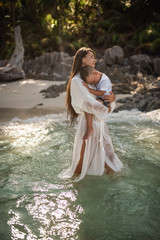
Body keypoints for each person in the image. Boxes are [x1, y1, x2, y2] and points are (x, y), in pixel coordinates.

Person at [58, 47, 123, 182]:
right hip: (90, 124)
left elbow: (106, 98)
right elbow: (88, 103)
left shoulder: (93, 79)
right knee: (83, 162)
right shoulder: (77, 80)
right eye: (91, 57)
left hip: (99, 123)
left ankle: (114, 184)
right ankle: (73, 188)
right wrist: (107, 107)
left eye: (94, 57)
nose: (95, 60)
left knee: (108, 156)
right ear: (83, 59)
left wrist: (112, 99)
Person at [80, 65, 114, 139]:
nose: (93, 84)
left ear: (95, 73)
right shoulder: (97, 77)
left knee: (89, 105)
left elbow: (101, 93)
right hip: (101, 99)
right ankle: (90, 128)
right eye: (91, 83)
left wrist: (88, 89)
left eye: (93, 82)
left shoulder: (104, 79)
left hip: (105, 101)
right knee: (87, 106)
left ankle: (90, 128)